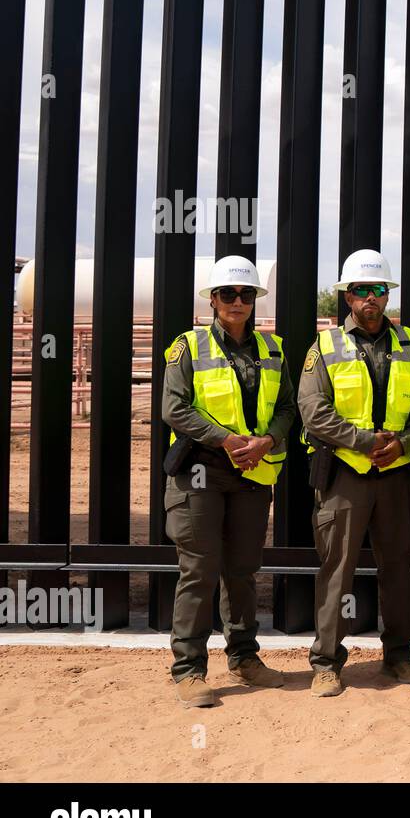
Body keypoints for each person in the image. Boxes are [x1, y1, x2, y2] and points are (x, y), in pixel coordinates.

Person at [161, 255, 295, 708]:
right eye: (228, 294)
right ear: (213, 300)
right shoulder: (189, 346)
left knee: (242, 570)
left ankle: (243, 658)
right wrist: (226, 439)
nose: (237, 302)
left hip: (252, 472)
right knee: (199, 569)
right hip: (201, 471)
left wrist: (267, 440)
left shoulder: (273, 350)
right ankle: (189, 670)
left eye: (246, 294)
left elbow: (289, 409)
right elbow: (173, 408)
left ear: (255, 299)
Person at [297, 249, 410, 697]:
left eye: (379, 290)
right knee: (337, 569)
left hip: (396, 476)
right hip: (345, 476)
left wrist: (403, 444)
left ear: (387, 295)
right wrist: (368, 443)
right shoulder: (325, 347)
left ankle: (400, 655)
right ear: (347, 297)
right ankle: (326, 662)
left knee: (399, 567)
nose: (371, 297)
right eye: (361, 291)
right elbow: (313, 412)